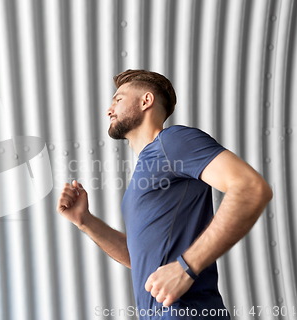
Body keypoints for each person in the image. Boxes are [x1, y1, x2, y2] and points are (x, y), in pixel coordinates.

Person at [56, 69, 273, 319]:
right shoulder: (146, 168)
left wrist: (186, 267)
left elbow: (250, 188)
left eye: (118, 99)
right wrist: (85, 221)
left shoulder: (172, 141)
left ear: (146, 101)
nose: (109, 109)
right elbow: (141, 259)